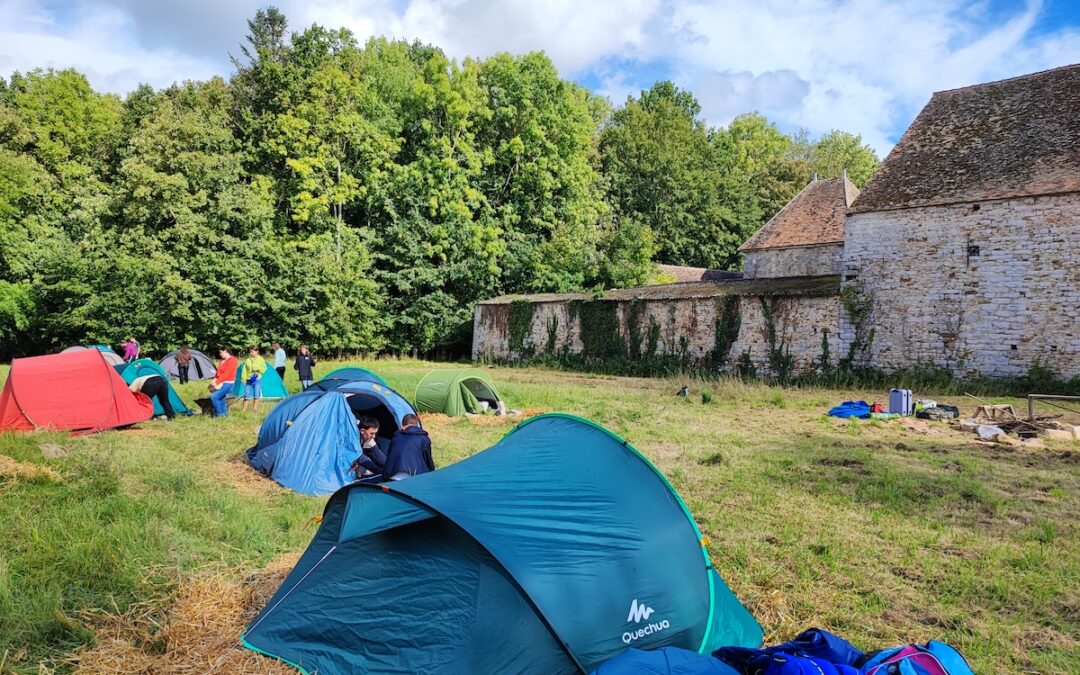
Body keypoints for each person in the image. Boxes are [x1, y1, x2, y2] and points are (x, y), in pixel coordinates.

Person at [382, 414, 434, 481]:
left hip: (391, 476)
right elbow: (428, 459)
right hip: (412, 477)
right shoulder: (423, 438)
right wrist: (432, 474)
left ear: (403, 425)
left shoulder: (396, 436)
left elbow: (389, 456)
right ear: (417, 425)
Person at [210, 347, 238, 417]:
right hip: (220, 383)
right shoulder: (222, 361)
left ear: (225, 351)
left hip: (228, 383)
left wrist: (217, 382)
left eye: (220, 352)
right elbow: (218, 373)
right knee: (221, 399)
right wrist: (214, 380)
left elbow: (226, 373)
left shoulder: (233, 360)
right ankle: (224, 415)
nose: (220, 354)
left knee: (214, 397)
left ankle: (219, 415)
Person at [241, 346, 267, 411]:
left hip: (257, 379)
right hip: (249, 380)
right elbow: (244, 370)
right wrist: (243, 379)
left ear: (257, 351)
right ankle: (243, 410)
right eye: (250, 351)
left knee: (256, 394)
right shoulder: (248, 360)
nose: (251, 353)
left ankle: (254, 410)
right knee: (246, 394)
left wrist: (258, 369)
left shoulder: (261, 359)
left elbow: (264, 369)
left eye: (252, 351)